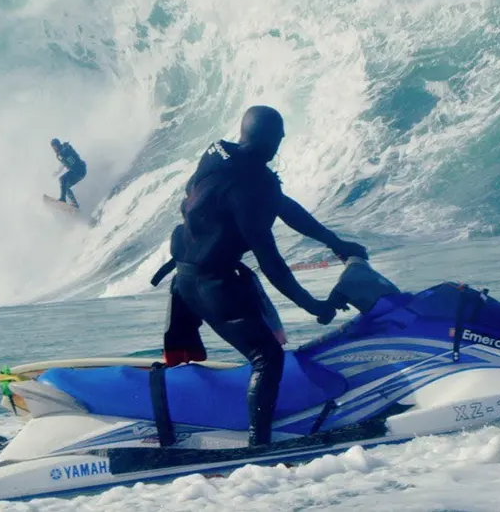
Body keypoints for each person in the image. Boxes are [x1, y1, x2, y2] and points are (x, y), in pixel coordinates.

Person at [154, 105, 367, 447]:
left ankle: (186, 411)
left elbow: (282, 205)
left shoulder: (219, 152)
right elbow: (272, 263)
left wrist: (334, 242)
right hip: (211, 285)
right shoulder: (254, 186)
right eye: (280, 135)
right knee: (267, 357)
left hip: (184, 276)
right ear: (271, 140)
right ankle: (259, 445)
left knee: (210, 355)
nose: (283, 140)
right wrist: (312, 305)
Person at [50, 138, 87, 208]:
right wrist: (58, 172)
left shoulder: (65, 149)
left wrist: (67, 148)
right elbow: (64, 163)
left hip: (80, 169)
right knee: (65, 187)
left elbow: (71, 156)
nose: (54, 149)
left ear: (58, 145)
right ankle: (75, 203)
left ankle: (63, 199)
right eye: (52, 147)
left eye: (54, 146)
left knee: (62, 179)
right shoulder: (59, 155)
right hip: (77, 171)